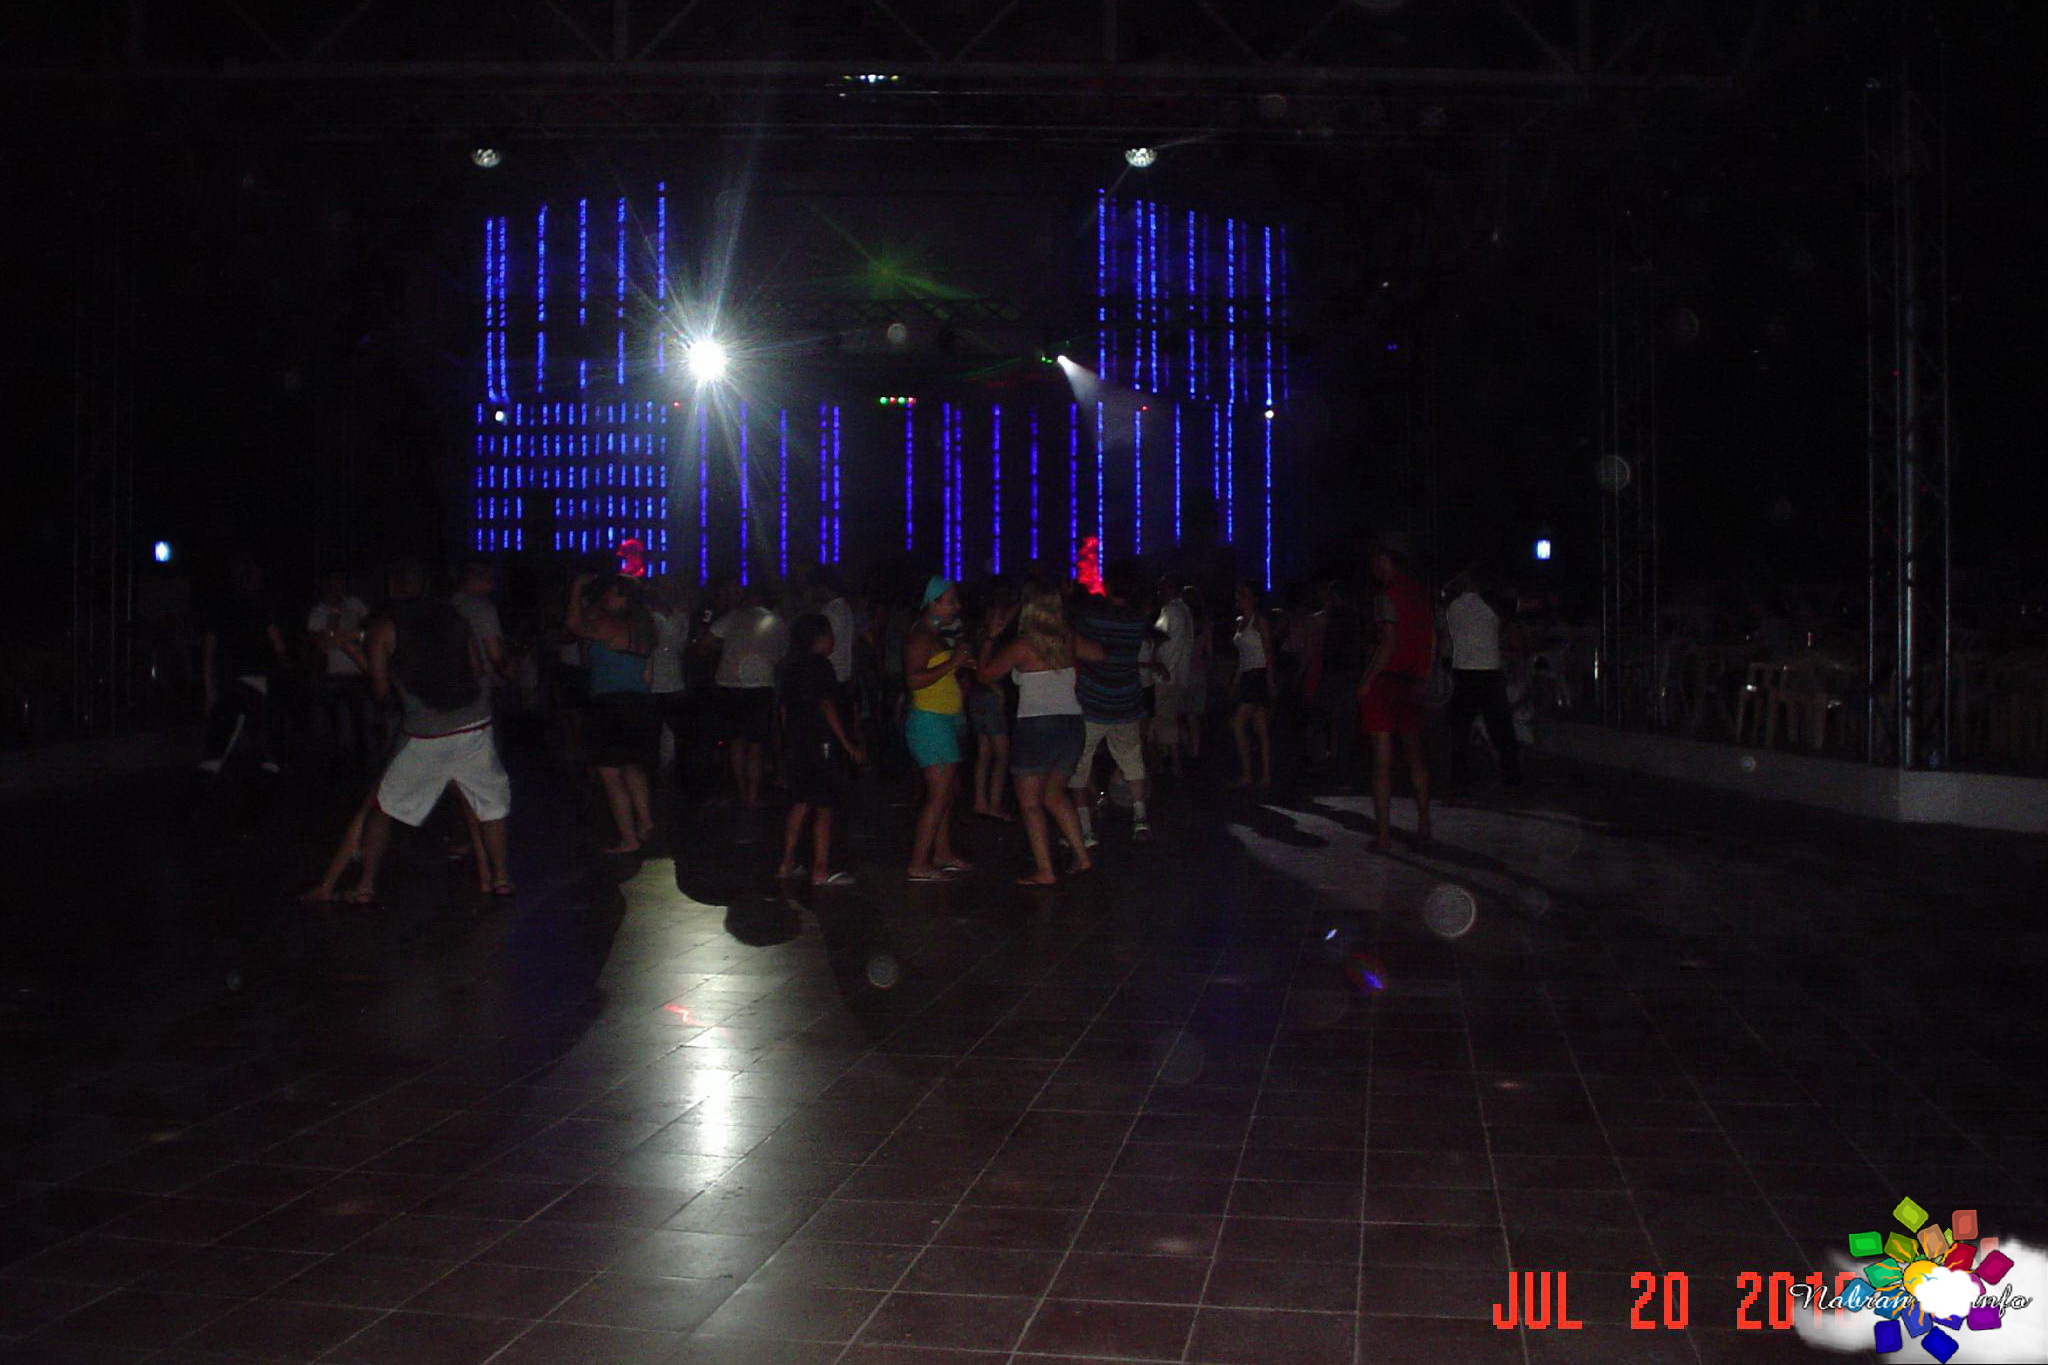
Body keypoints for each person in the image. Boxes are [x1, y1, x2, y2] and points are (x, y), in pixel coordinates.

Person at [349, 561, 513, 901]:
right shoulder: (456, 618)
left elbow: (380, 689)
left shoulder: (384, 627)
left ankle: (365, 885)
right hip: (473, 724)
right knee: (491, 805)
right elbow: (477, 668)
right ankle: (500, 877)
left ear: (393, 587)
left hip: (427, 731)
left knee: (384, 806)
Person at [977, 583, 1101, 884]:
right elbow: (1099, 654)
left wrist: (991, 638)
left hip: (1037, 726)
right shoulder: (1066, 639)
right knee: (1054, 795)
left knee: (1031, 803)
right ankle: (1082, 856)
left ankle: (1045, 870)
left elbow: (984, 674)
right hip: (1071, 725)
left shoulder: (1023, 645)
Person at [1069, 561, 1160, 844]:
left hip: (1093, 700)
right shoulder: (1137, 620)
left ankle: (1085, 829)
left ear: (1107, 585)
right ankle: (1140, 819)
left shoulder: (1092, 616)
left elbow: (1078, 645)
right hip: (1126, 699)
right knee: (1132, 760)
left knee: (1079, 765)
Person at [569, 572, 659, 854]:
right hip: (638, 703)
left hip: (611, 704)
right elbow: (647, 676)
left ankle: (628, 838)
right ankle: (645, 822)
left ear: (626, 599)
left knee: (610, 774)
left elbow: (574, 625)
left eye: (614, 593)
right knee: (632, 766)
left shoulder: (610, 625)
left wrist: (576, 589)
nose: (608, 596)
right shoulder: (644, 629)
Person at [777, 613, 866, 887]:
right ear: (821, 637)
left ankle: (786, 862)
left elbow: (783, 710)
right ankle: (821, 868)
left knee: (801, 801)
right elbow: (826, 705)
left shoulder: (789, 667)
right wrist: (847, 743)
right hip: (820, 742)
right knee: (824, 805)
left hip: (798, 742)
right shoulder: (821, 666)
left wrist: (788, 741)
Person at [1358, 540, 1434, 851]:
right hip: (1412, 680)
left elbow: (1388, 643)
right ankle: (1424, 823)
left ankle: (1384, 835)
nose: (1375, 568)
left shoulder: (1386, 597)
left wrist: (1367, 679)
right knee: (1415, 757)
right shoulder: (1421, 596)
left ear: (1387, 563)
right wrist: (1424, 675)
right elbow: (1432, 639)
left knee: (1382, 762)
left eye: (1379, 562)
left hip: (1388, 681)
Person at [903, 577, 975, 880]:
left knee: (944, 794)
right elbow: (914, 679)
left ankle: (941, 853)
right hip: (929, 721)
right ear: (933, 602)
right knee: (937, 795)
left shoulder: (933, 633)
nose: (956, 607)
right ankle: (918, 863)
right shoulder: (921, 635)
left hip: (940, 720)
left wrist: (958, 664)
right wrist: (952, 663)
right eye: (951, 601)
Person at [200, 558, 289, 774]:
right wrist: (281, 669)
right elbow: (278, 645)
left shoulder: (221, 608)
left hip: (229, 678)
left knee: (228, 731)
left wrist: (209, 689)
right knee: (257, 728)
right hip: (254, 677)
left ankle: (217, 767)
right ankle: (264, 765)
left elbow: (208, 652)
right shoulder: (261, 607)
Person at [707, 583, 788, 810]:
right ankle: (752, 794)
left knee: (736, 741)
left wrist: (725, 650)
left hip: (729, 683)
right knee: (755, 744)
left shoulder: (733, 616)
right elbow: (782, 654)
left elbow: (708, 640)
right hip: (759, 685)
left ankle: (742, 790)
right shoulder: (775, 621)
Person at [1442, 567, 1523, 790]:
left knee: (1460, 732)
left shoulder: (1453, 606)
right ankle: (1511, 777)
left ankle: (1459, 781)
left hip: (1463, 671)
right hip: (1489, 672)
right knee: (1501, 729)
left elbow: (1447, 592)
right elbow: (1513, 633)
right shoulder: (1493, 604)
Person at [306, 571, 371, 771]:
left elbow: (369, 630)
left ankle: (364, 765)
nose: (337, 586)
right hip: (333, 675)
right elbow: (322, 643)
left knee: (362, 722)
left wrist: (355, 636)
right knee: (340, 724)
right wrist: (333, 621)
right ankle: (342, 765)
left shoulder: (355, 604)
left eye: (340, 582)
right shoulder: (318, 612)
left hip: (357, 672)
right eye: (333, 582)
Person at [967, 589, 1015, 822]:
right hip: (988, 697)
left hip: (977, 697)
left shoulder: (978, 634)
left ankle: (980, 801)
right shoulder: (989, 638)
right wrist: (997, 690)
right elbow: (981, 669)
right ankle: (993, 804)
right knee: (1002, 754)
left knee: (985, 752)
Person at [1229, 582, 1275, 789]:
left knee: (1238, 723)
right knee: (1260, 727)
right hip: (1247, 674)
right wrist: (1236, 679)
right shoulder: (1240, 621)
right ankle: (1264, 774)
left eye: (1244, 595)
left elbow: (1268, 650)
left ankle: (1249, 773)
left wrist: (1270, 679)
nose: (1240, 599)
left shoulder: (1259, 620)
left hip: (1258, 674)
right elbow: (1242, 655)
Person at [647, 578, 692, 780]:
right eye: (663, 589)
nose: (666, 593)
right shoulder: (646, 617)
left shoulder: (681, 617)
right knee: (653, 728)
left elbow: (683, 647)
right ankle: (654, 767)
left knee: (674, 728)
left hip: (675, 680)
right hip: (653, 681)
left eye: (670, 589)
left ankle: (670, 766)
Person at [1152, 576, 1197, 777]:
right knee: (1173, 719)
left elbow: (1159, 639)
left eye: (1162, 588)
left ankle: (1175, 763)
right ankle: (1179, 757)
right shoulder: (1186, 611)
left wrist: (1156, 663)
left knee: (1166, 721)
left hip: (1166, 674)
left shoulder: (1169, 611)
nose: (1159, 592)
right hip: (1181, 673)